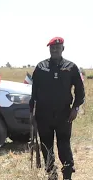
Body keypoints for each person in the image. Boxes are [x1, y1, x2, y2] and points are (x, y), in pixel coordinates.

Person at [29, 37, 85, 180]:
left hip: (64, 115)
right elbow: (34, 92)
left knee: (64, 146)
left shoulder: (71, 67)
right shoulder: (41, 67)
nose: (54, 50)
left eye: (57, 47)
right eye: (52, 48)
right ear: (49, 49)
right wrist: (32, 113)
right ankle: (51, 174)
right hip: (43, 115)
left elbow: (80, 91)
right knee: (46, 147)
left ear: (62, 49)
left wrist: (75, 109)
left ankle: (67, 175)